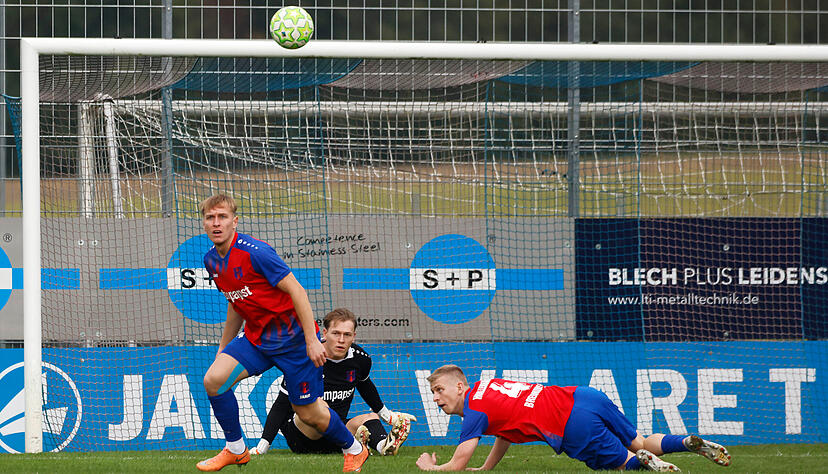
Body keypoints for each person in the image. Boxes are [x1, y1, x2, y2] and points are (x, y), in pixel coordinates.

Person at [196, 194, 369, 472]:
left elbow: (297, 291)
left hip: (295, 342)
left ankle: (354, 448)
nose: (216, 223)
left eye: (222, 217)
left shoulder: (256, 252)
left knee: (308, 413)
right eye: (210, 218)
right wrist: (223, 348)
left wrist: (313, 341)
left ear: (234, 221)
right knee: (214, 381)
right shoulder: (211, 261)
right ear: (204, 223)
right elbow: (236, 303)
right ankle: (236, 450)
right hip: (257, 339)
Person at [416, 365, 732, 472]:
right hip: (583, 396)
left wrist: (432, 468)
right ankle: (687, 442)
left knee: (622, 464)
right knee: (637, 440)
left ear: (461, 386)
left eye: (439, 389)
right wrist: (487, 468)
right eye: (432, 392)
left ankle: (644, 461)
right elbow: (505, 432)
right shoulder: (490, 388)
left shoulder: (474, 409)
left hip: (570, 424)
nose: (435, 397)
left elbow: (456, 465)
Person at [249, 308, 417, 457]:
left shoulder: (361, 360)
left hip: (337, 435)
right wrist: (262, 446)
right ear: (324, 333)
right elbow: (281, 405)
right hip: (302, 436)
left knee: (370, 417)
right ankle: (358, 442)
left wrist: (389, 417)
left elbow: (366, 387)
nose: (341, 340)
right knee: (319, 405)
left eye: (347, 335)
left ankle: (383, 447)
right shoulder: (306, 358)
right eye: (336, 333)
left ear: (354, 336)